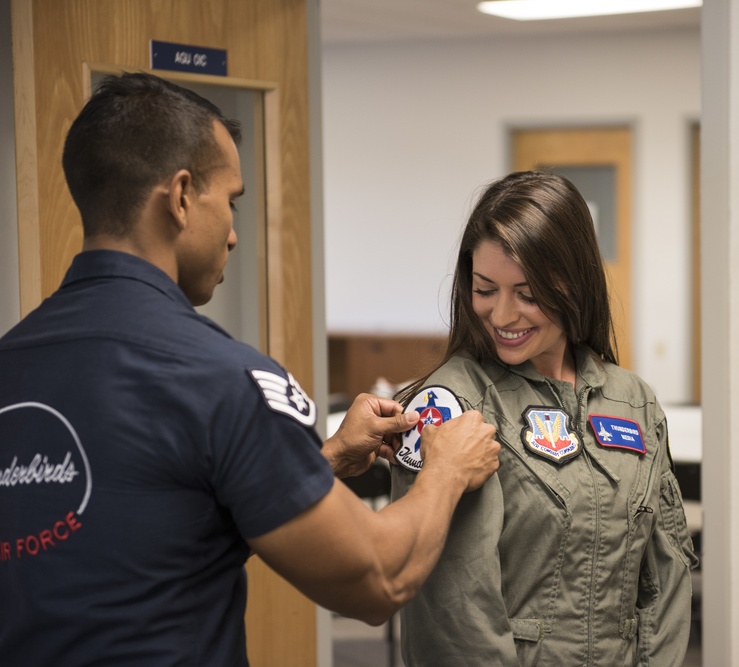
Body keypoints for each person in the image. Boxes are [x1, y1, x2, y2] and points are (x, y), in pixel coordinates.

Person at [0, 72, 500, 666]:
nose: (235, 235)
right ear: (181, 197)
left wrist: (330, 459)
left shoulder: (15, 358)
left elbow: (161, 525)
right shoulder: (222, 379)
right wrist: (445, 469)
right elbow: (378, 580)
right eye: (230, 201)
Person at [390, 171, 697, 666]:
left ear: (575, 284)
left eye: (527, 294)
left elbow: (668, 572)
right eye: (485, 289)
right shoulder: (451, 406)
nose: (503, 316)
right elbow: (454, 609)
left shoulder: (631, 400)